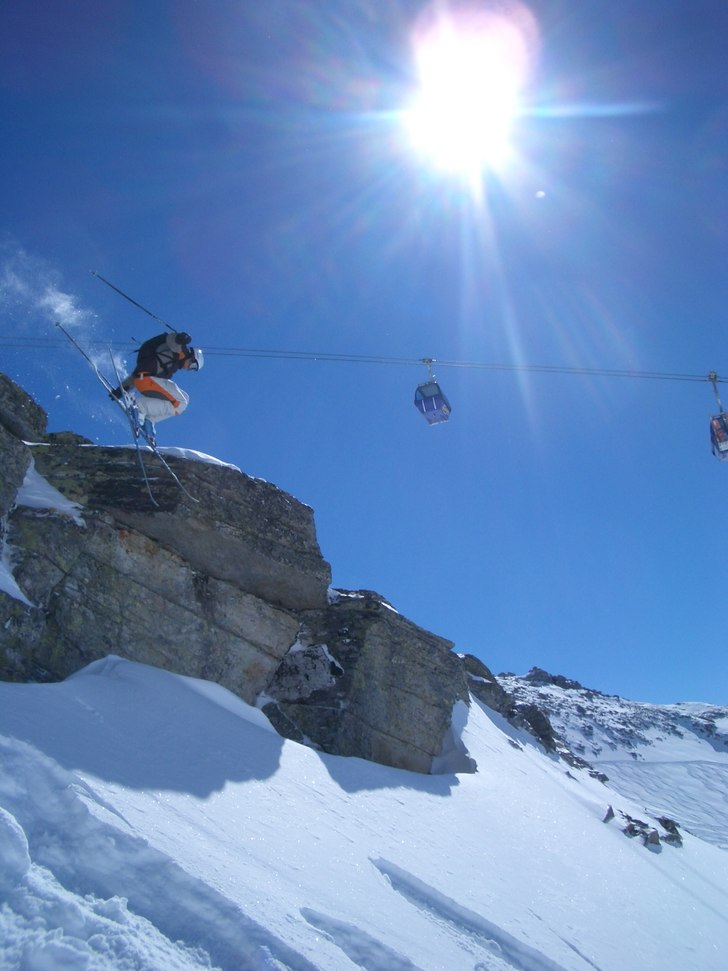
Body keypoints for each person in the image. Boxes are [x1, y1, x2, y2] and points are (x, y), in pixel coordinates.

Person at [111, 331, 203, 441]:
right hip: (145, 380)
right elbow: (171, 339)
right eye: (192, 366)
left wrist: (122, 388)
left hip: (145, 381)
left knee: (184, 399)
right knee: (181, 403)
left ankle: (149, 420)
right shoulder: (178, 349)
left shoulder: (171, 366)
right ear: (192, 357)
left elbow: (136, 375)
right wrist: (181, 338)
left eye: (192, 370)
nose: (188, 369)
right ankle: (138, 405)